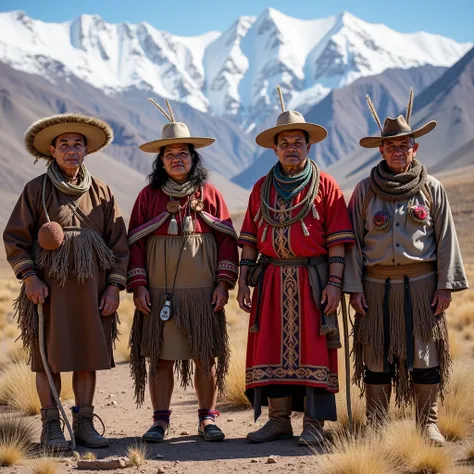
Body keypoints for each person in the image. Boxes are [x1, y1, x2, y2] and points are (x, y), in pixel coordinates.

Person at [344, 89, 469, 445]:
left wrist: (445, 285)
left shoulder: (431, 189)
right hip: (374, 288)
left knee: (425, 355)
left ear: (416, 148)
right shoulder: (365, 190)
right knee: (376, 357)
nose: (399, 151)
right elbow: (352, 241)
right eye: (392, 146)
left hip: (422, 287)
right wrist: (353, 288)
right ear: (381, 150)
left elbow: (446, 240)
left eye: (406, 145)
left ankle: (427, 424)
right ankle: (377, 425)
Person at [237, 89, 355, 445]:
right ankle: (278, 420)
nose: (291, 147)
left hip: (313, 279)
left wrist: (334, 283)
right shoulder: (261, 188)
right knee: (272, 348)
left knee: (315, 350)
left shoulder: (327, 186)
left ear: (309, 146)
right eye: (284, 142)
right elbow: (249, 240)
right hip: (271, 277)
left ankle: (314, 425)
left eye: (298, 142)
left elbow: (337, 239)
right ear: (274, 149)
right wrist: (243, 282)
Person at [3, 113, 129, 449]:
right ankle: (51, 428)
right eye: (64, 145)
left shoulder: (102, 191)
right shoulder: (36, 190)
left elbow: (119, 244)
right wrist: (29, 278)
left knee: (87, 356)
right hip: (48, 292)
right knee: (48, 357)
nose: (71, 150)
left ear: (86, 151)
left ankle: (85, 425)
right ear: (53, 152)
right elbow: (15, 238)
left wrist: (114, 287)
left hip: (94, 291)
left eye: (77, 144)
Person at [127, 99, 238, 443]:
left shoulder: (211, 194)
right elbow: (136, 244)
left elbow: (226, 241)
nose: (177, 158)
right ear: (160, 161)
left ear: (194, 158)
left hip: (204, 293)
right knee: (160, 359)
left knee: (206, 356)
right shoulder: (148, 197)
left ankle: (208, 419)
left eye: (184, 153)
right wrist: (140, 286)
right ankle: (160, 421)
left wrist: (223, 283)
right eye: (170, 154)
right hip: (160, 293)